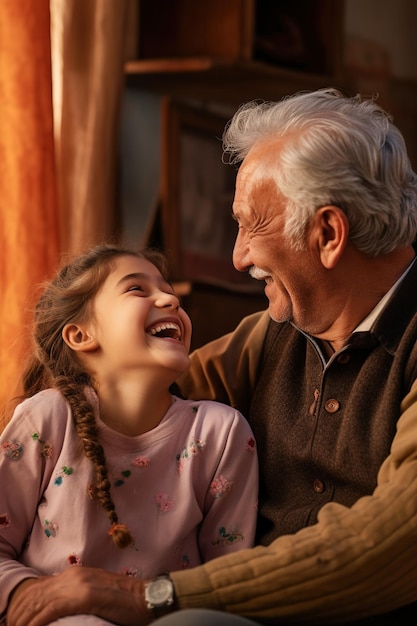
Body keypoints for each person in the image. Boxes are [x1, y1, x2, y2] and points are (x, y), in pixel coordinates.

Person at [5, 86, 417, 626]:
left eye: (252, 224)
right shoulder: (269, 336)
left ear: (328, 233)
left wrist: (145, 596)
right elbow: (121, 398)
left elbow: (395, 541)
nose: (238, 255)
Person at [0, 243, 258, 626]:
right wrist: (24, 593)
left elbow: (225, 580)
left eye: (168, 289)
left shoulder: (221, 433)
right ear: (81, 335)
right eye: (137, 288)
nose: (169, 298)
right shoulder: (46, 419)